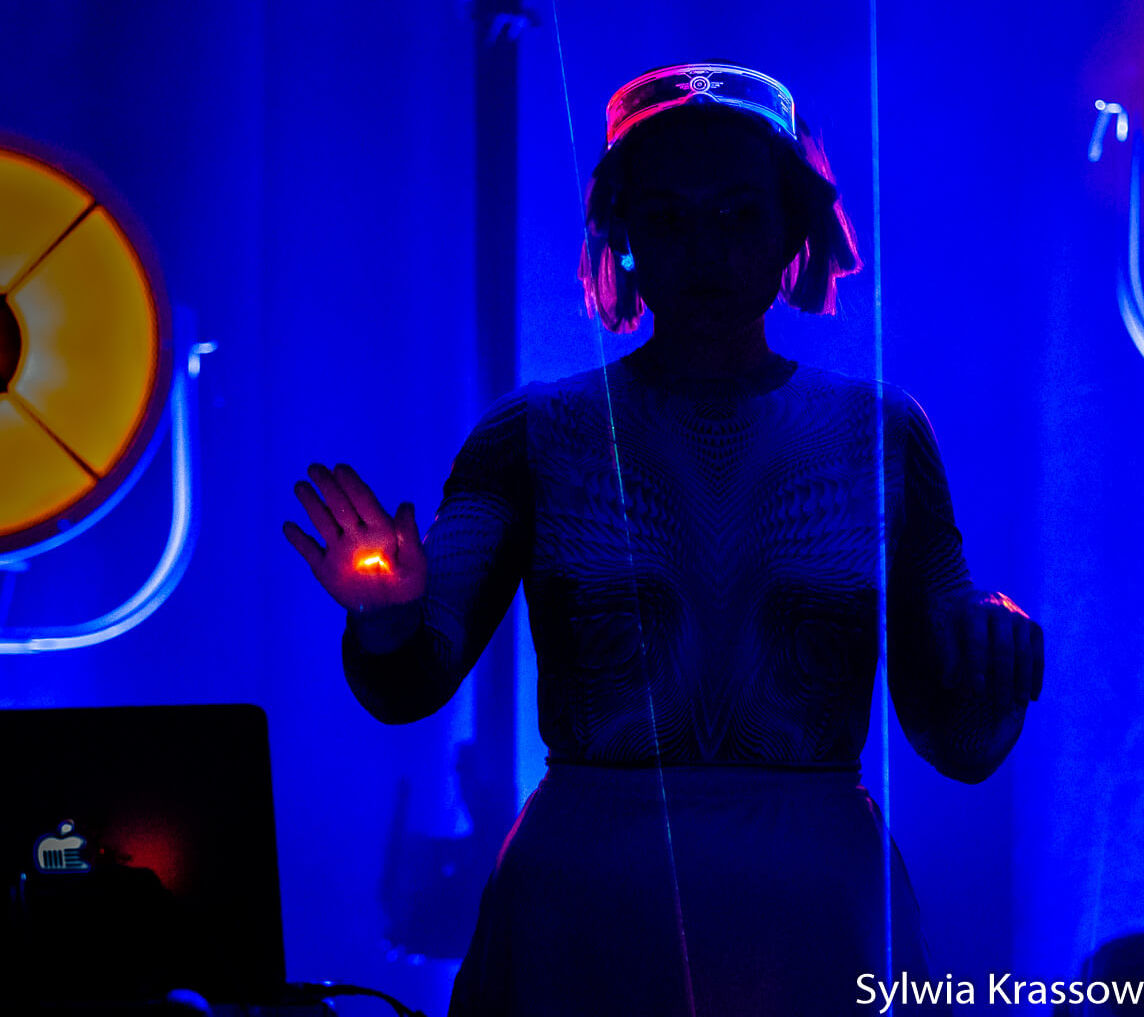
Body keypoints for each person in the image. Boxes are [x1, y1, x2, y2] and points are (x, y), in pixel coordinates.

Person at [283, 62, 1044, 1016]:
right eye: (669, 218)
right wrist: (389, 620)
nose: (706, 250)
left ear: (791, 229)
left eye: (737, 214)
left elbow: (957, 740)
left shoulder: (880, 434)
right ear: (625, 234)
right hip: (590, 903)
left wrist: (994, 662)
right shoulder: (531, 434)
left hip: (806, 908)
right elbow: (410, 685)